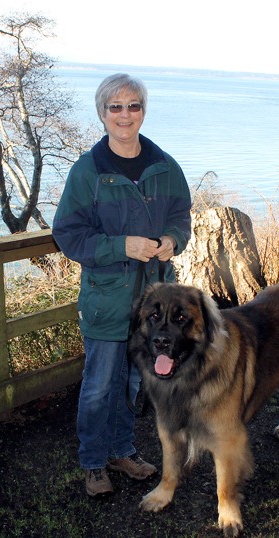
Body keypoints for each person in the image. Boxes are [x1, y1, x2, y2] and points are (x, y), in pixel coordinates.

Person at [52, 73, 192, 497]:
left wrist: (172, 240)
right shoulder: (88, 171)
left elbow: (181, 218)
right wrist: (121, 245)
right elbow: (68, 234)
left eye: (133, 105)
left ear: (143, 112)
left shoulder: (165, 167)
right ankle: (94, 463)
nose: (125, 114)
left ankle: (122, 451)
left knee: (134, 382)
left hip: (154, 306)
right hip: (107, 299)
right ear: (102, 113)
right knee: (98, 386)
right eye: (116, 107)